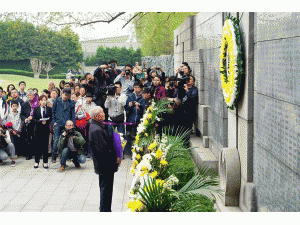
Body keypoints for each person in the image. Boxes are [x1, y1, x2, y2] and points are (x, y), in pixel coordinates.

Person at [89, 106, 121, 212]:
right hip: (104, 165)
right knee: (106, 190)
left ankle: (106, 209)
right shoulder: (96, 130)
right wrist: (116, 157)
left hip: (104, 165)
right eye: (102, 112)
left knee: (106, 189)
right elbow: (103, 150)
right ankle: (104, 210)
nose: (104, 114)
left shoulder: (98, 126)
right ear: (97, 116)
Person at [51, 88, 76, 163]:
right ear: (61, 93)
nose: (65, 96)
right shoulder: (57, 101)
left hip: (67, 124)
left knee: (66, 139)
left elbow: (73, 115)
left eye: (67, 95)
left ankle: (65, 156)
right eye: (64, 94)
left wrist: (72, 125)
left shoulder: (71, 103)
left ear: (69, 96)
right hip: (58, 123)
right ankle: (54, 156)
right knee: (56, 139)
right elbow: (53, 112)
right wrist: (53, 122)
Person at [124, 81, 145, 155]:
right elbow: (126, 107)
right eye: (135, 87)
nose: (136, 89)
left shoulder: (143, 96)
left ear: (141, 88)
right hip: (131, 119)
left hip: (139, 119)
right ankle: (131, 152)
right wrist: (129, 105)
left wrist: (139, 105)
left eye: (138, 87)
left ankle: (138, 152)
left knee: (138, 137)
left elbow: (144, 107)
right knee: (130, 136)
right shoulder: (130, 96)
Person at [32, 95, 52, 169]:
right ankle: (36, 161)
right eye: (42, 100)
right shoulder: (36, 109)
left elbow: (51, 118)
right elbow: (34, 118)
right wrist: (39, 122)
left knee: (45, 146)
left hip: (46, 129)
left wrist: (46, 121)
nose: (43, 102)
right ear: (39, 101)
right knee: (38, 146)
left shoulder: (49, 109)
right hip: (38, 129)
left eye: (45, 100)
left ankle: (45, 162)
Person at [20, 90, 38, 160]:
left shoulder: (36, 104)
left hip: (35, 123)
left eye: (31, 95)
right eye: (28, 95)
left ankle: (36, 153)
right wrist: (25, 119)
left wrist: (32, 117)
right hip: (27, 124)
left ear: (34, 96)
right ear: (26, 96)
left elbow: (38, 114)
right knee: (27, 139)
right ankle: (28, 154)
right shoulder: (24, 104)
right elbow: (21, 114)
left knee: (35, 138)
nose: (30, 96)